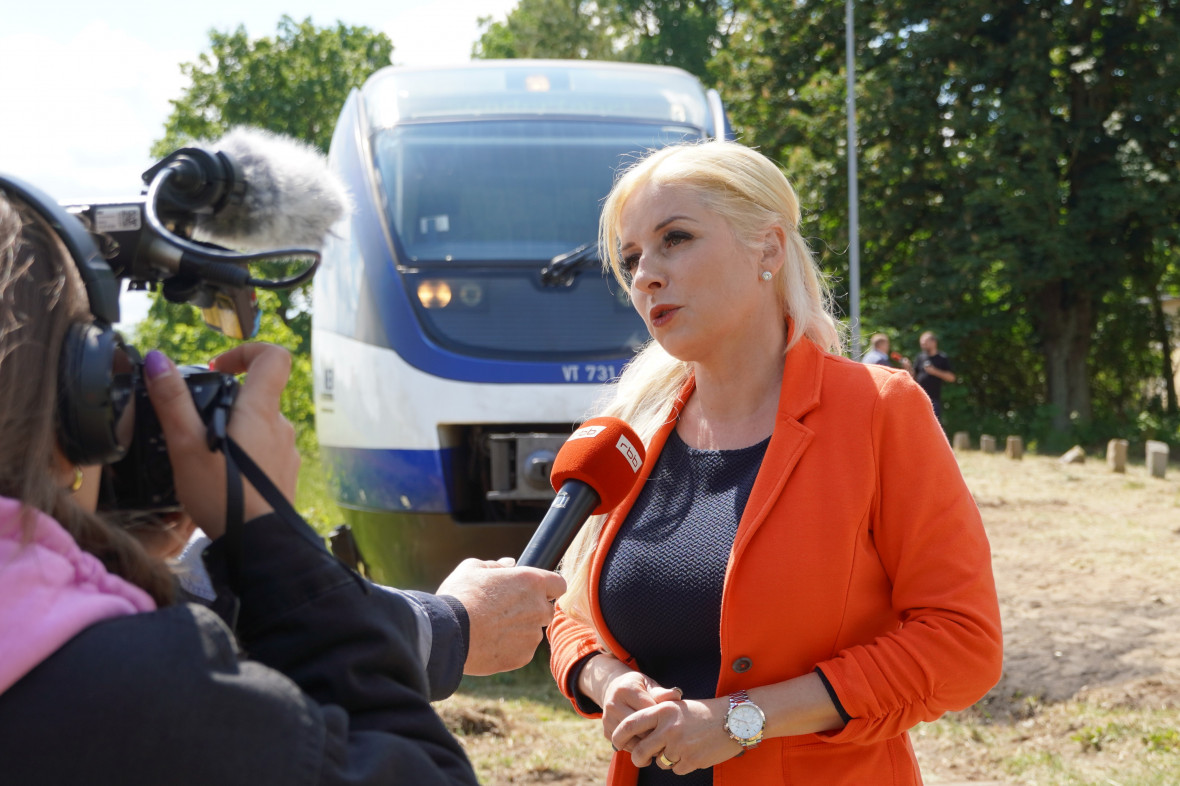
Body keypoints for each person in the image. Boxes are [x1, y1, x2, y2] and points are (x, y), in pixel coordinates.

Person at [0, 186, 561, 783]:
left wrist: (449, 625)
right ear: (75, 408)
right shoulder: (135, 688)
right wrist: (265, 532)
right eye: (113, 378)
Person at [545, 141, 1002, 785]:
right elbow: (568, 614)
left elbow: (963, 644)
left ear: (768, 248)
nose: (645, 273)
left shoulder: (879, 411)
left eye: (674, 238)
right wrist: (603, 677)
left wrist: (741, 719)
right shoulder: (630, 432)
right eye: (631, 257)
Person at [911, 330, 956, 421]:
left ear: (934, 342)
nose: (923, 345)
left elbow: (952, 377)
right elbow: (913, 376)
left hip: (933, 400)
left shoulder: (942, 358)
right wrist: (908, 368)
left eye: (925, 342)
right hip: (918, 398)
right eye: (921, 343)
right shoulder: (920, 357)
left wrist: (935, 371)